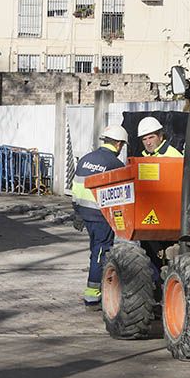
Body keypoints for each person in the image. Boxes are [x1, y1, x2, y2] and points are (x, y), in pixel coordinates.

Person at [71, 124, 129, 309]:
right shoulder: (115, 165)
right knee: (100, 253)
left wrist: (77, 213)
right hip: (101, 217)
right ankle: (93, 296)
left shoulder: (85, 160)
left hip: (85, 215)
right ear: (119, 144)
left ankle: (98, 291)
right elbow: (122, 196)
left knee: (95, 250)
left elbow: (76, 188)